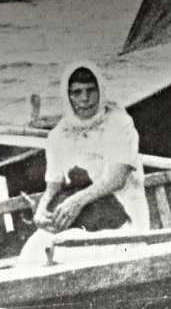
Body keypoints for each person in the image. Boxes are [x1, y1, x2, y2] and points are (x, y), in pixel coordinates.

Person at [21, 62, 149, 262]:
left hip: (126, 219)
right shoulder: (58, 134)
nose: (85, 98)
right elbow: (54, 184)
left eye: (91, 90)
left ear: (100, 91)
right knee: (34, 250)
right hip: (84, 218)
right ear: (67, 96)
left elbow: (116, 178)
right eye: (77, 92)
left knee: (76, 253)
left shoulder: (120, 123)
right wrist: (41, 209)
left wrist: (76, 202)